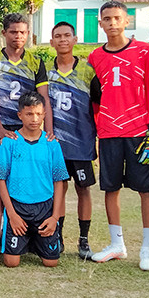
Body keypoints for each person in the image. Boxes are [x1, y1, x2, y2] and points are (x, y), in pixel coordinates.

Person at [88, 1, 149, 271]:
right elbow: (95, 97)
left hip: (139, 130)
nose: (112, 23)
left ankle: (148, 247)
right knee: (110, 187)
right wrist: (97, 126)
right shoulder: (95, 57)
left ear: (127, 20)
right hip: (108, 131)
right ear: (101, 24)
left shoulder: (144, 51)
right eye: (107, 19)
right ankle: (117, 244)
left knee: (146, 189)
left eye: (117, 18)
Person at [0, 92, 68, 268]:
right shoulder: (10, 143)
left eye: (39, 114)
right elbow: (0, 179)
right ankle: (18, 236)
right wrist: (11, 214)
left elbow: (59, 181)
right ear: (20, 115)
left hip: (44, 208)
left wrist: (54, 217)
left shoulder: (52, 144)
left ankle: (34, 240)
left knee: (51, 262)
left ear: (44, 114)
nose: (35, 118)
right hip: (18, 207)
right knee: (11, 262)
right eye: (29, 114)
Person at [47, 22, 100, 259]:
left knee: (83, 189)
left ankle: (84, 239)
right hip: (55, 142)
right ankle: (57, 236)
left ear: (75, 39)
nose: (62, 40)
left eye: (67, 35)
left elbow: (98, 104)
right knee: (58, 188)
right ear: (51, 42)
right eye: (57, 36)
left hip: (81, 142)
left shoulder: (89, 70)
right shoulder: (45, 70)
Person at [0, 13, 53, 149]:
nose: (18, 36)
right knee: (1, 169)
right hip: (2, 126)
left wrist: (48, 131)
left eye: (22, 32)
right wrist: (0, 131)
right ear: (4, 33)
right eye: (13, 32)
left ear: (27, 33)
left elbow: (44, 98)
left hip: (29, 126)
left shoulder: (36, 62)